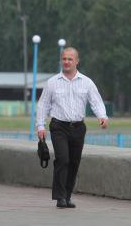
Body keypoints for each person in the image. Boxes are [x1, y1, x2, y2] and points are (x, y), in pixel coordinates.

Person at [36, 47, 108, 209]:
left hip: (78, 127)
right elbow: (43, 105)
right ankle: (60, 197)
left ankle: (67, 196)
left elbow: (96, 101)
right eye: (64, 59)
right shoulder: (52, 82)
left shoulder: (87, 82)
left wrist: (102, 117)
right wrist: (40, 125)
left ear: (77, 61)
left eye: (70, 59)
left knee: (74, 162)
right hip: (58, 126)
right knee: (63, 159)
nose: (66, 62)